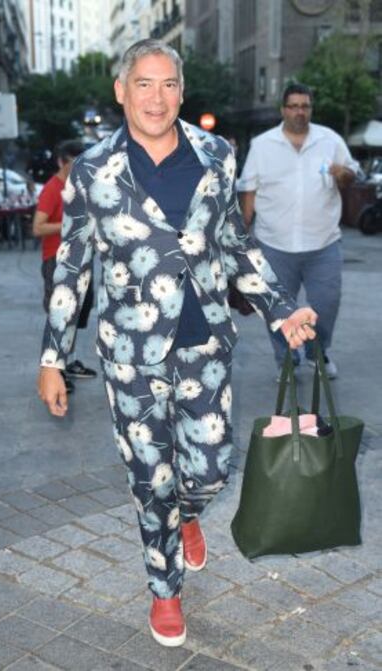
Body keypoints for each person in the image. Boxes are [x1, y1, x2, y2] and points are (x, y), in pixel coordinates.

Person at [37, 40, 317, 647]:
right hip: (128, 351)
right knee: (149, 478)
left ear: (181, 92)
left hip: (204, 342)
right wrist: (54, 357)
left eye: (168, 84)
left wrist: (280, 307)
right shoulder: (90, 169)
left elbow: (237, 244)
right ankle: (164, 590)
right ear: (121, 90)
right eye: (143, 83)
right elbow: (71, 266)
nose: (156, 97)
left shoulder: (217, 153)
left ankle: (188, 514)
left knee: (211, 467)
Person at [238, 82, 358, 380]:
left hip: (323, 244)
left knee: (326, 304)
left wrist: (344, 175)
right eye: (293, 106)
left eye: (305, 106)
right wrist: (242, 237)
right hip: (274, 244)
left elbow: (350, 173)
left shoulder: (329, 140)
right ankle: (287, 360)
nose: (299, 112)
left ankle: (319, 353)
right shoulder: (262, 144)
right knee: (278, 311)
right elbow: (249, 191)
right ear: (283, 110)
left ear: (310, 109)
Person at [33, 140, 97, 394]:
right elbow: (38, 227)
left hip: (80, 259)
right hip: (57, 261)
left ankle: (67, 364)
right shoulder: (52, 189)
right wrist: (71, 223)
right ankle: (54, 371)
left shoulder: (78, 186)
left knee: (76, 316)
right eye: (74, 163)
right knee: (59, 316)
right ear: (61, 161)